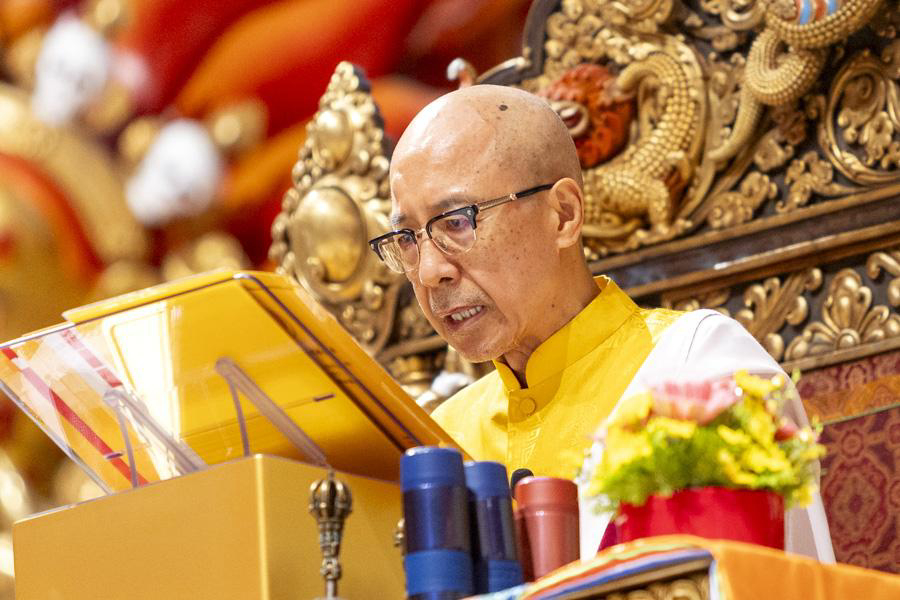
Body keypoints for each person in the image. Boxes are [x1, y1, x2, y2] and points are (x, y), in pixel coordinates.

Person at [369, 84, 834, 561]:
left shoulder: (698, 374)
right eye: (406, 238)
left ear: (563, 215)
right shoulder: (438, 441)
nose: (430, 271)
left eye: (456, 221)